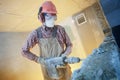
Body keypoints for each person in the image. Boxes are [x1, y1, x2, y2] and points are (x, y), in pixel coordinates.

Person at [21, 1, 72, 80]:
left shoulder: (60, 30)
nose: (52, 19)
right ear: (42, 17)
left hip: (64, 69)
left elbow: (69, 45)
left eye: (53, 16)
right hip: (48, 72)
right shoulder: (36, 34)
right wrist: (38, 60)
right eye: (48, 16)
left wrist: (64, 55)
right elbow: (24, 51)